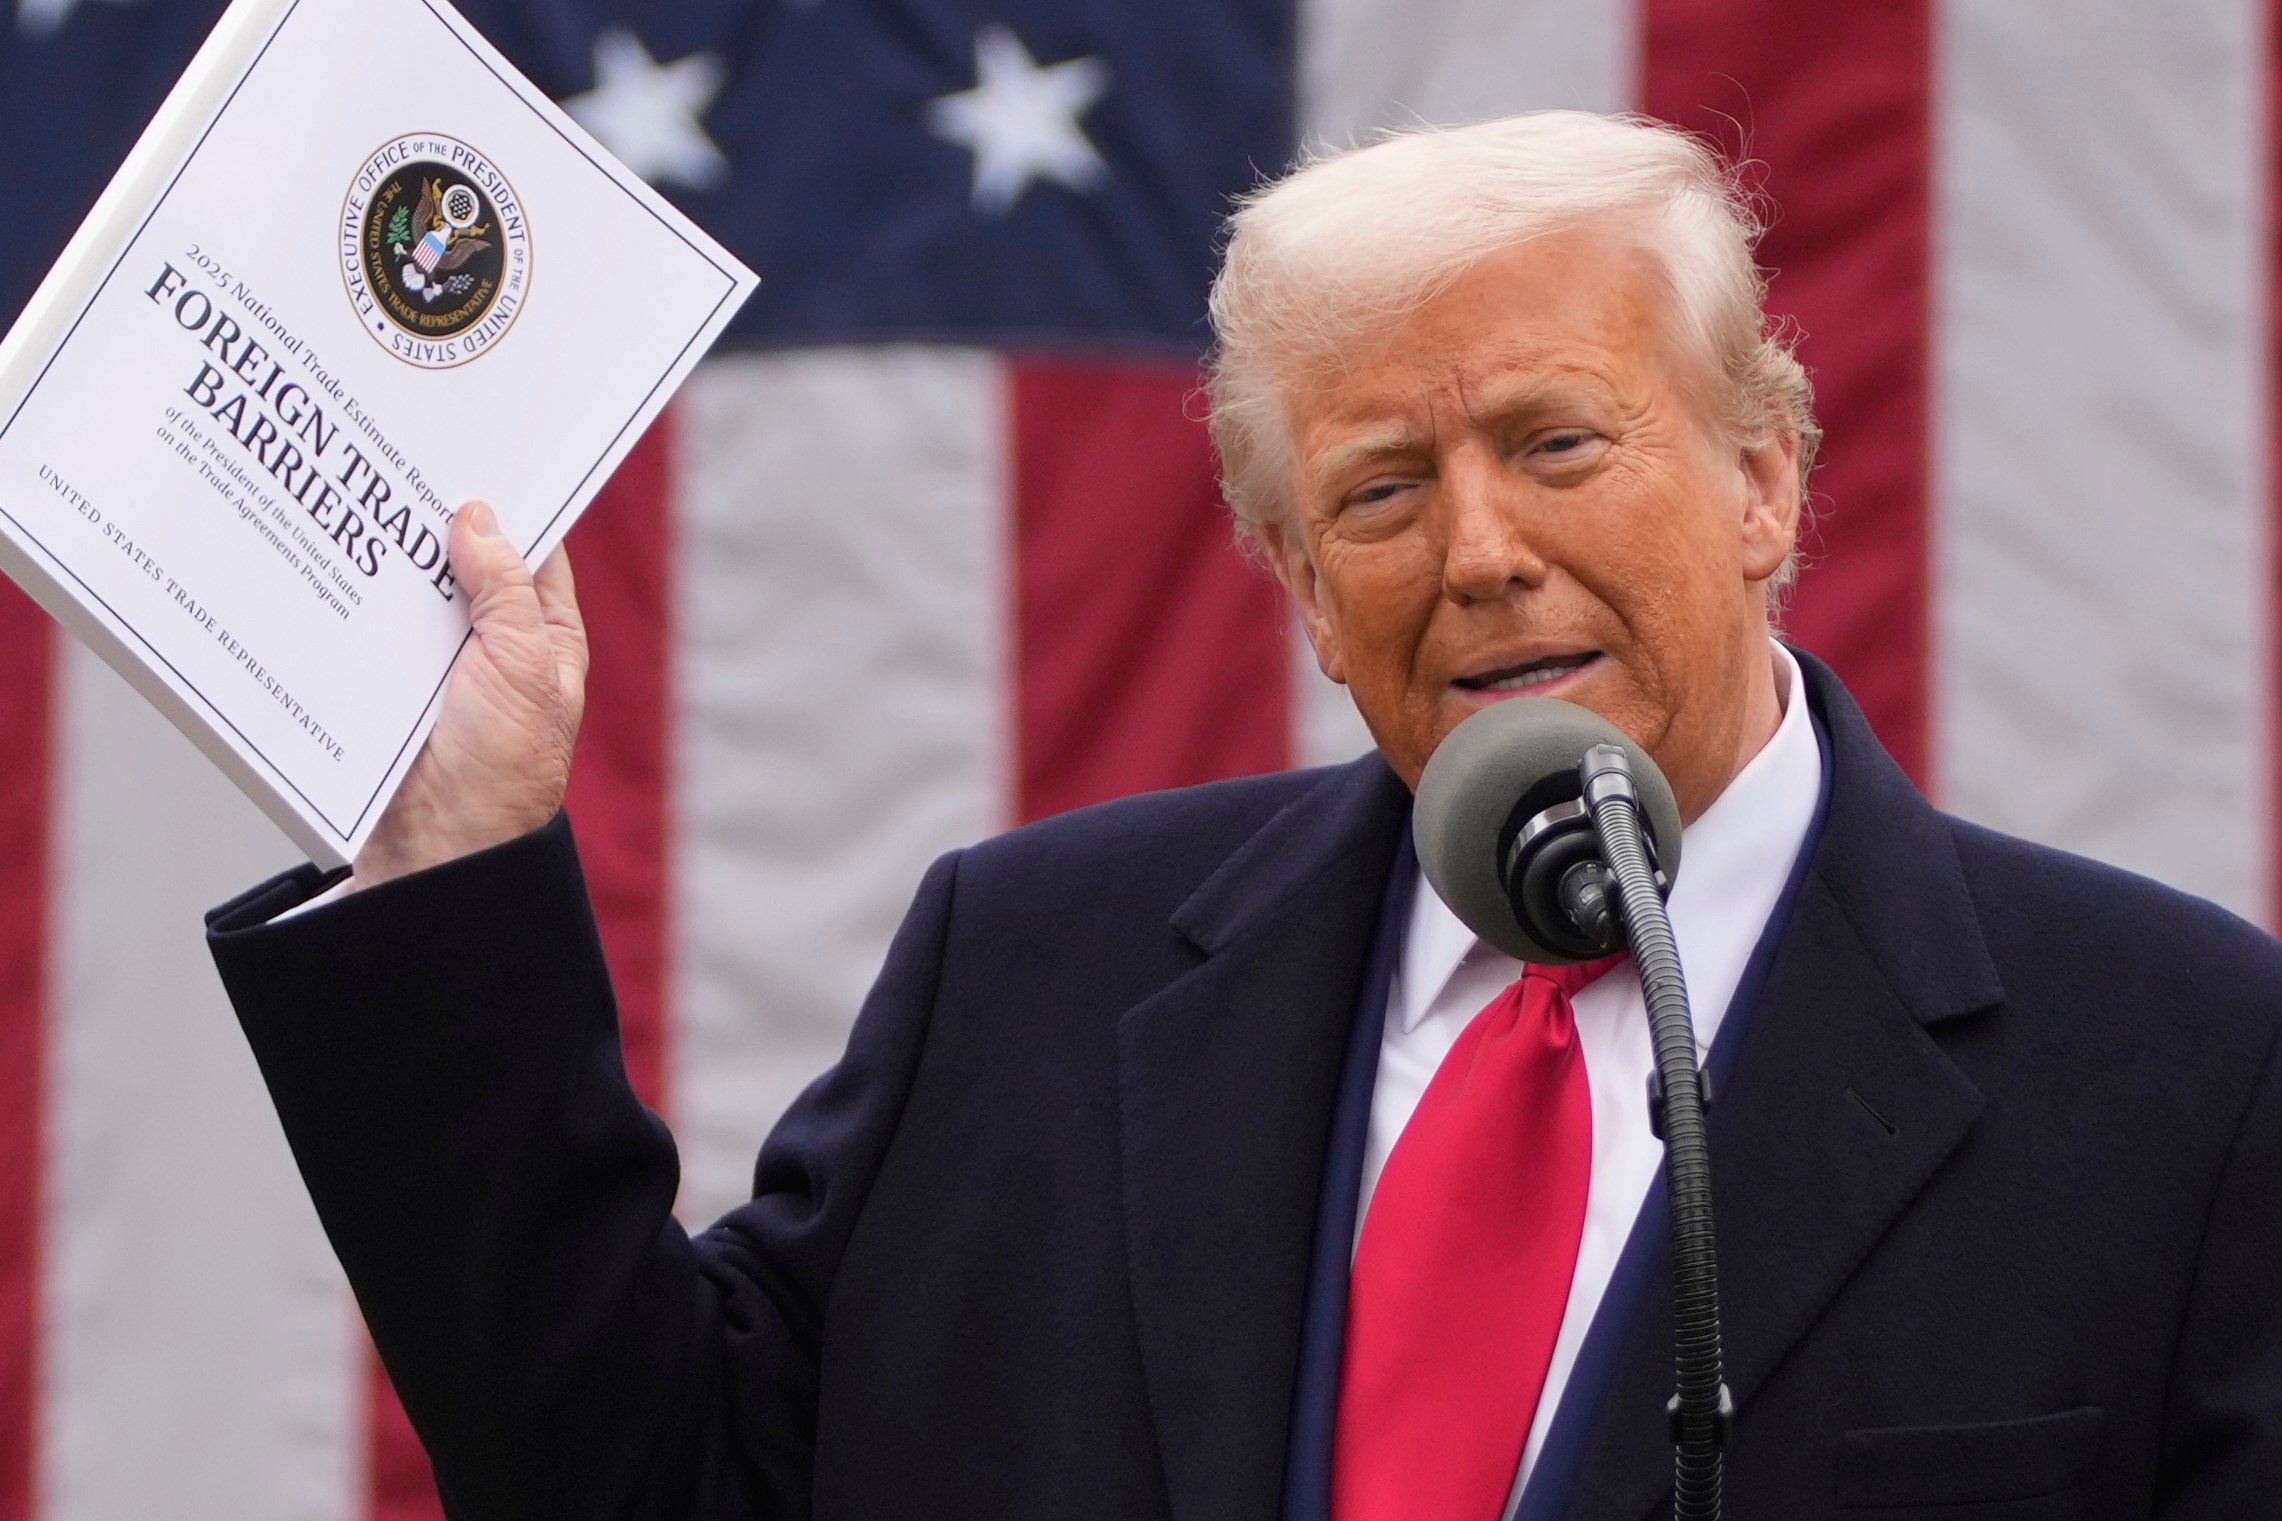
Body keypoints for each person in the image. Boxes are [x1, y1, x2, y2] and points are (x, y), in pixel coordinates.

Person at [207, 112, 2282, 1520]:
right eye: (1379, 489)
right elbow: (642, 1479)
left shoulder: (2180, 1070)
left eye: (1558, 443)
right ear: (1298, 581)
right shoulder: (1028, 973)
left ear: (1763, 478)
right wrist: (460, 854)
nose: (1479, 553)